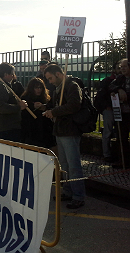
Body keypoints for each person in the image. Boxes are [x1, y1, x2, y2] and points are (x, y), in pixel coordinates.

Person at [43, 64, 85, 209]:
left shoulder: (72, 86)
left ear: (59, 74)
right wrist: (47, 109)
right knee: (65, 165)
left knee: (73, 165)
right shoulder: (58, 89)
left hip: (70, 130)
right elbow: (57, 107)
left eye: (50, 78)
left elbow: (74, 105)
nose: (50, 82)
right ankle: (68, 191)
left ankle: (78, 195)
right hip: (60, 130)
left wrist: (54, 112)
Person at [0, 62, 28, 142]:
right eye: (12, 74)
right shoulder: (0, 86)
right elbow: (1, 107)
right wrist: (19, 107)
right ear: (6, 74)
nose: (13, 76)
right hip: (2, 129)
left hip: (0, 128)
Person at [94, 61, 121, 162]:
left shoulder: (124, 80)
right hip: (109, 109)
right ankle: (106, 154)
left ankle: (120, 154)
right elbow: (101, 96)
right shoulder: (107, 81)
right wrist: (106, 106)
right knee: (107, 132)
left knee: (120, 133)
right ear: (114, 69)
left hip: (121, 110)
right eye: (118, 68)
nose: (120, 70)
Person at [20, 77, 55, 148]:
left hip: (44, 128)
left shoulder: (46, 98)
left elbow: (51, 107)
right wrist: (32, 106)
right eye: (36, 88)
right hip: (30, 129)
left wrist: (44, 107)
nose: (39, 90)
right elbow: (23, 113)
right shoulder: (25, 98)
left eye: (40, 88)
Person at [108, 58, 130, 169]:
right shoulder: (120, 78)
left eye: (125, 66)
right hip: (123, 114)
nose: (122, 69)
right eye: (121, 67)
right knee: (121, 138)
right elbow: (111, 86)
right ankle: (123, 160)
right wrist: (118, 90)